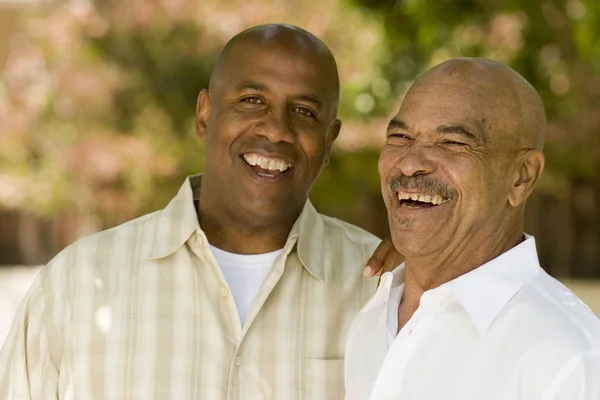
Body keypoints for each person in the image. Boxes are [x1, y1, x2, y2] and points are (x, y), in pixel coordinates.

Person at [0, 24, 399, 399]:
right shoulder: (76, 283)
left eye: (304, 111)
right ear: (205, 114)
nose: (276, 129)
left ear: (329, 140)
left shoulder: (386, 290)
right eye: (252, 101)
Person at [344, 58, 600, 400]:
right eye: (400, 136)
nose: (409, 162)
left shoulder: (566, 356)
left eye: (452, 142)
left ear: (521, 176)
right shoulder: (373, 315)